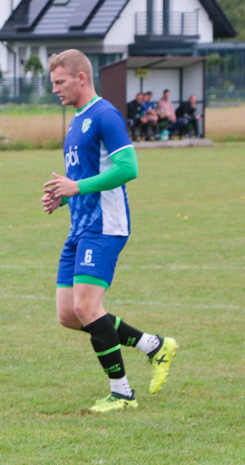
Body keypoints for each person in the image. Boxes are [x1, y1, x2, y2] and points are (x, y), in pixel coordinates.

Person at [41, 49, 177, 414]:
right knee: (69, 314)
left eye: (60, 82)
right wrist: (65, 197)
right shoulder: (76, 121)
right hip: (80, 225)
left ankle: (122, 392)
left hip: (105, 225)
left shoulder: (105, 114)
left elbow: (128, 167)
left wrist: (77, 188)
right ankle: (153, 345)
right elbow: (86, 177)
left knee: (86, 306)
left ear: (81, 78)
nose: (55, 89)